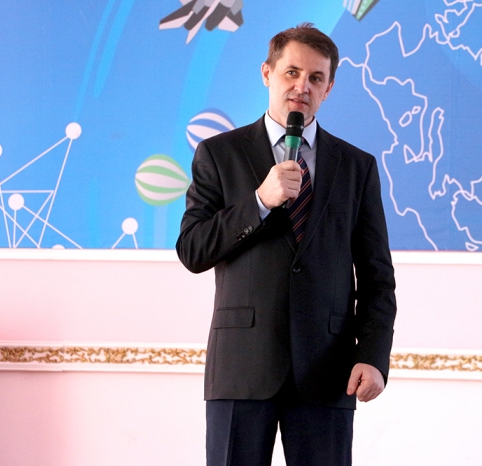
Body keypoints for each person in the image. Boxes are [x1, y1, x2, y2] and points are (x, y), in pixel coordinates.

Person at [176, 23, 397, 466]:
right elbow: (193, 250)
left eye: (316, 78)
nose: (302, 87)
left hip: (328, 370)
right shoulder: (219, 154)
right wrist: (259, 201)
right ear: (267, 73)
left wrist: (373, 356)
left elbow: (377, 277)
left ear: (329, 88)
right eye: (291, 72)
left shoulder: (357, 167)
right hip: (241, 368)